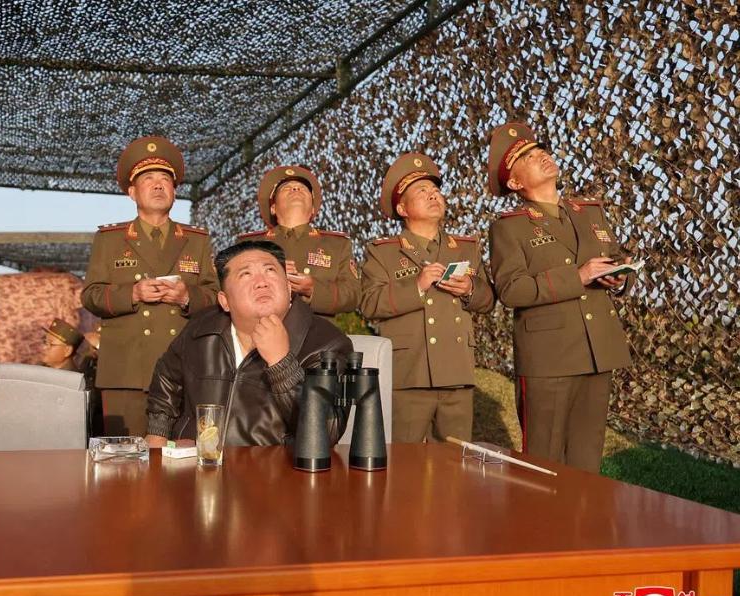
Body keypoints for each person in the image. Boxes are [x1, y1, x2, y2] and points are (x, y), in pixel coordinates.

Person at [487, 122, 634, 472]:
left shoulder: (590, 213)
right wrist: (578, 277)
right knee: (542, 464)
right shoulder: (509, 227)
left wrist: (620, 277)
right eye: (528, 157)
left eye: (541, 150)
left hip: (597, 350)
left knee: (587, 463)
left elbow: (616, 258)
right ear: (515, 183)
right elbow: (511, 289)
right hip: (548, 358)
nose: (542, 156)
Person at [144, 240, 353, 447]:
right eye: (246, 274)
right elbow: (167, 376)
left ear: (289, 289)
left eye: (270, 271)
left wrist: (281, 363)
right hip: (199, 463)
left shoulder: (327, 343)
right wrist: (157, 432)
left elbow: (328, 431)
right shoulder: (201, 328)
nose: (261, 282)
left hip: (275, 466)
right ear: (225, 301)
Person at [82, 136, 219, 437]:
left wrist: (187, 297)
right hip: (126, 371)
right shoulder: (110, 239)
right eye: (148, 179)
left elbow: (215, 296)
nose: (158, 185)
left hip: (184, 368)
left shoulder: (196, 241)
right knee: (125, 458)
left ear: (175, 191)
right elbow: (90, 295)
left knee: (182, 457)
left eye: (165, 180)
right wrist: (132, 293)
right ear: (132, 192)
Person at [359, 153, 494, 443]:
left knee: (454, 461)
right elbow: (369, 303)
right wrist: (417, 286)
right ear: (402, 208)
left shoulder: (466, 248)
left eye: (435, 190)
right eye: (422, 191)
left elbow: (488, 300)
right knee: (403, 461)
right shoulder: (383, 252)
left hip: (457, 373)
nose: (433, 195)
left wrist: (470, 289)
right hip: (409, 373)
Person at [236, 165, 360, 321]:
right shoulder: (247, 244)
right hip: (260, 329)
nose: (295, 189)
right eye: (286, 188)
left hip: (317, 333)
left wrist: (313, 289)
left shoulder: (337, 245)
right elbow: (229, 290)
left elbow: (353, 295)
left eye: (302, 188)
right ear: (273, 208)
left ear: (313, 209)